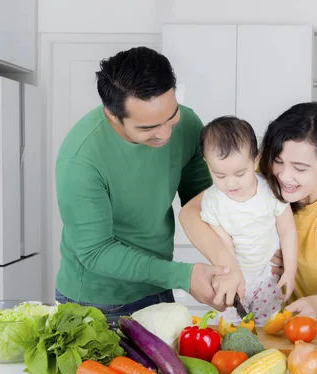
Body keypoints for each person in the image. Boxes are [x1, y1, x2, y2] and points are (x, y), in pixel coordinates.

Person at [54, 46, 231, 320]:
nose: (164, 135)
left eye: (171, 117)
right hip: (95, 301)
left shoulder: (188, 125)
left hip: (158, 286)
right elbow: (96, 252)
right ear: (112, 115)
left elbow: (204, 203)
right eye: (147, 128)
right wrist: (184, 275)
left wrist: (236, 256)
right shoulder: (80, 160)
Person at [181, 101, 317, 328]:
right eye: (278, 161)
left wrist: (313, 304)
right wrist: (228, 265)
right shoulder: (257, 178)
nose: (284, 177)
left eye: (300, 168)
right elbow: (189, 214)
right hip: (292, 318)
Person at [193, 116, 298, 325]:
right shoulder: (212, 201)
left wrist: (291, 269)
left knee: (268, 328)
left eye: (240, 173)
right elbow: (223, 242)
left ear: (255, 160)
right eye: (219, 175)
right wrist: (233, 274)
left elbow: (288, 230)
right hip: (234, 275)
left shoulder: (270, 191)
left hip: (268, 275)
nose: (231, 183)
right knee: (232, 329)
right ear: (207, 163)